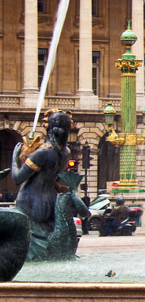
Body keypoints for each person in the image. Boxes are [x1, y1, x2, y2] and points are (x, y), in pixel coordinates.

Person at [11, 110, 72, 259]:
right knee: (44, 243)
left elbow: (18, 178)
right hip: (50, 202)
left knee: (23, 242)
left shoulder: (43, 153)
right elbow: (51, 177)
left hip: (30, 202)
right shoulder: (66, 152)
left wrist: (14, 158)